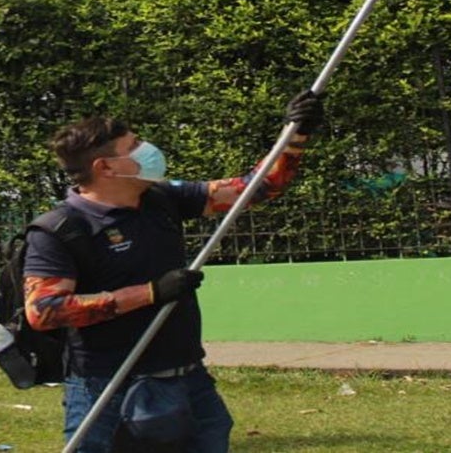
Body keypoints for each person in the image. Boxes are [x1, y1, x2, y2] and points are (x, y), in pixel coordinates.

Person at [24, 91, 324, 452]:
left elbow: (256, 188)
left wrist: (295, 136)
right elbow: (45, 311)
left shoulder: (162, 198)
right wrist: (151, 293)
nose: (147, 149)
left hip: (187, 375)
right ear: (106, 167)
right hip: (109, 386)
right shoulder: (61, 229)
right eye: (134, 145)